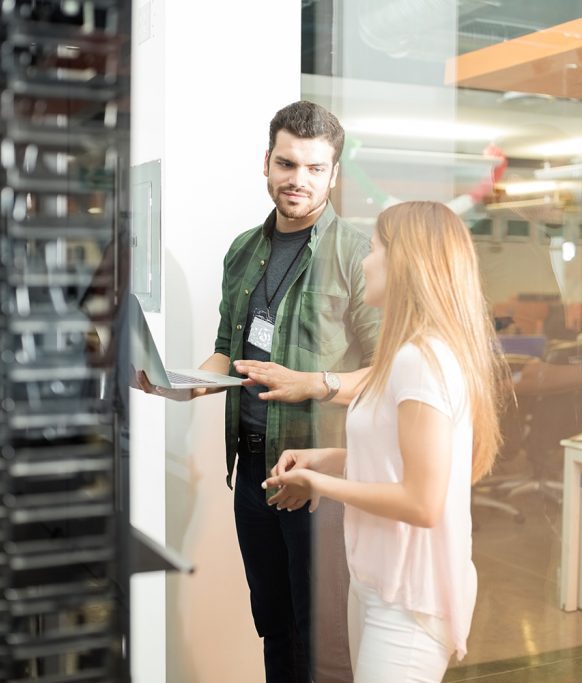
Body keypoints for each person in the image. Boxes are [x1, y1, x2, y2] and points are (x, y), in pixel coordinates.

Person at [137, 101, 380, 683]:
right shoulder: (243, 249)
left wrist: (314, 384)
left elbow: (386, 370)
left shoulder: (357, 255)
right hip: (251, 467)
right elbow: (228, 348)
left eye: (315, 168)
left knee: (321, 636)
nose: (298, 179)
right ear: (266, 162)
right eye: (287, 163)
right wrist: (185, 385)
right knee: (272, 622)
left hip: (318, 472)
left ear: (334, 174)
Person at [262, 201, 506, 682]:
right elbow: (399, 459)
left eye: (373, 250)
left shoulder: (422, 360)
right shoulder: (406, 356)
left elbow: (421, 501)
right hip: (377, 583)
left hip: (409, 600)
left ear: (405, 263)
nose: (364, 262)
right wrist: (328, 460)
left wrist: (320, 484)